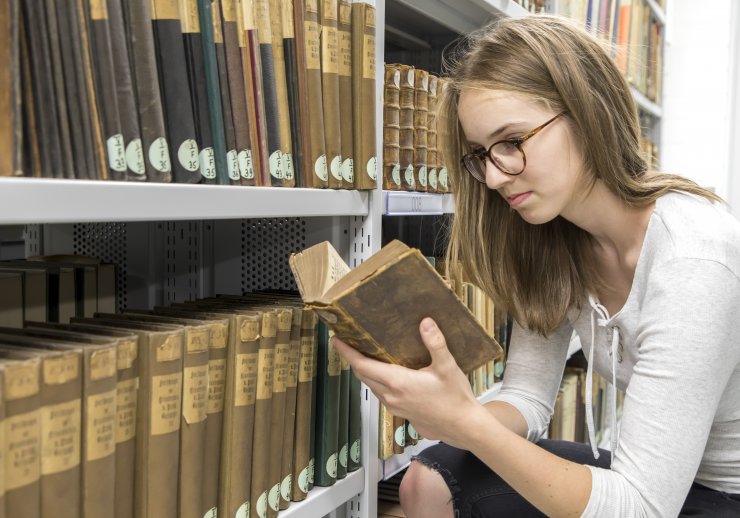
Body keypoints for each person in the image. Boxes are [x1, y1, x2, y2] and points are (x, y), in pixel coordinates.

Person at [332, 14, 740, 518]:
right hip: (659, 480)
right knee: (427, 481)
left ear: (587, 111)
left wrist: (466, 422)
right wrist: (443, 413)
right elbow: (527, 396)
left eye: (512, 141)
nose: (495, 176)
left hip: (720, 495)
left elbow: (641, 508)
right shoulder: (556, 237)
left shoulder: (694, 256)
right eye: (480, 154)